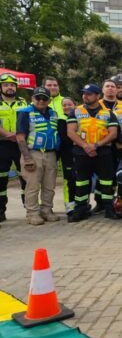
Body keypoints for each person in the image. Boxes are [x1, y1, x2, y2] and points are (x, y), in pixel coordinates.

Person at [66, 83, 119, 222]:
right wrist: (85, 146)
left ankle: (109, 209)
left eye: (89, 94)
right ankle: (80, 210)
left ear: (97, 96)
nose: (85, 96)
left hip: (103, 152)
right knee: (81, 182)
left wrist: (96, 145)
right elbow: (70, 132)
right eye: (84, 93)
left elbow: (113, 133)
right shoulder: (76, 111)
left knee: (107, 182)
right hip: (81, 152)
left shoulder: (108, 113)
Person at [16, 87, 60, 225]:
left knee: (49, 185)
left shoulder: (53, 113)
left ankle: (46, 210)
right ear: (32, 98)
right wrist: (27, 157)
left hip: (50, 153)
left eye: (44, 98)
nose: (41, 101)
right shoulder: (25, 113)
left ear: (49, 100)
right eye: (38, 98)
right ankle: (32, 213)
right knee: (33, 185)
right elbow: (20, 137)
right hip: (33, 153)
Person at [0, 72, 28, 221]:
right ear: (1, 87)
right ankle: (0, 210)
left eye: (12, 85)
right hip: (2, 144)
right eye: (6, 85)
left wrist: (18, 135)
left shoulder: (23, 102)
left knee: (25, 176)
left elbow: (28, 121)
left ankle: (29, 209)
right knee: (1, 178)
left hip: (20, 144)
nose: (9, 87)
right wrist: (7, 134)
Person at [57, 97, 77, 215]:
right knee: (69, 180)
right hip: (67, 155)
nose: (67, 107)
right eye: (64, 105)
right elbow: (65, 138)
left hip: (80, 154)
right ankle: (70, 206)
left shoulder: (79, 118)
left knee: (80, 181)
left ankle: (80, 205)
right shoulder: (61, 120)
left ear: (75, 105)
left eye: (69, 104)